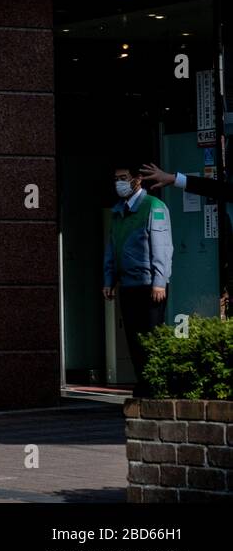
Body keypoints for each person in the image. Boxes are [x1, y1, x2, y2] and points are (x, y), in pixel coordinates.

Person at [103, 164, 172, 396]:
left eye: (123, 178)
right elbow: (112, 248)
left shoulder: (154, 207)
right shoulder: (118, 212)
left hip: (150, 285)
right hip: (128, 285)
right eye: (116, 178)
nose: (118, 183)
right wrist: (109, 279)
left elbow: (162, 247)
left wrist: (159, 282)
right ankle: (143, 383)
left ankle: (156, 384)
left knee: (151, 337)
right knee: (134, 339)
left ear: (137, 180)